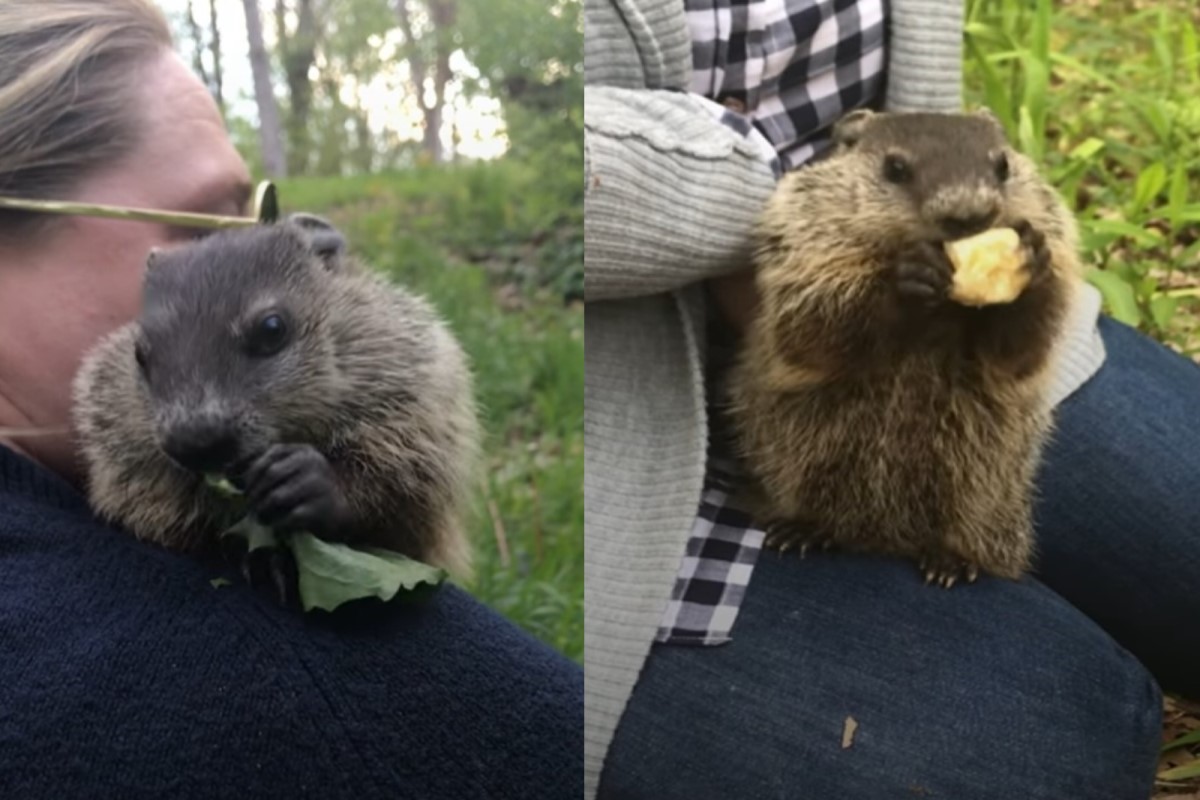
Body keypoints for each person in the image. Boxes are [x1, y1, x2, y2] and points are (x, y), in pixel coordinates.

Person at [585, 0, 1191, 797]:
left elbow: (1016, 362)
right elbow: (806, 354)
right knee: (1068, 739)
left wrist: (1022, 288)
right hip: (636, 402)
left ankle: (968, 555)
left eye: (995, 181)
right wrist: (889, 294)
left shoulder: (993, 198)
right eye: (902, 181)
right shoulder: (825, 215)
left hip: (959, 471)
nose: (967, 210)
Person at [0, 2, 580, 798]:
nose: (253, 241)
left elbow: (418, 483)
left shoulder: (371, 346)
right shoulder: (294, 704)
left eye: (257, 209)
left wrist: (344, 491)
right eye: (202, 220)